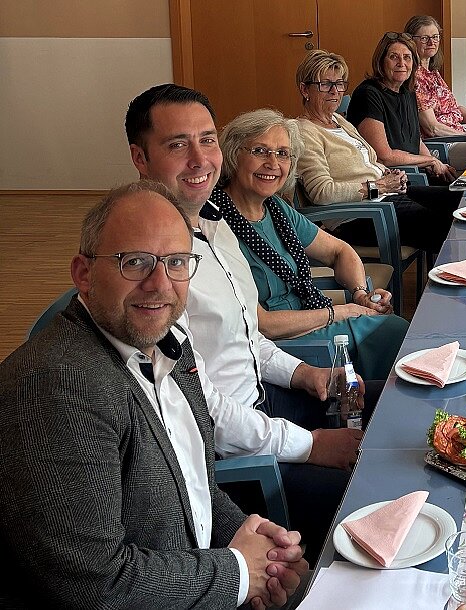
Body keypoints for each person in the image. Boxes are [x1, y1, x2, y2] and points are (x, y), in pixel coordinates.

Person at [0, 181, 307, 608]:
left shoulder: (167, 341)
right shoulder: (59, 386)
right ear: (83, 274)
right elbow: (93, 583)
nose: (160, 284)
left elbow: (190, 485)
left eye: (177, 262)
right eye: (136, 262)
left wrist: (256, 549)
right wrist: (238, 574)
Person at [126, 83, 364, 561]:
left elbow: (249, 337)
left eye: (207, 139)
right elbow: (200, 410)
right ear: (140, 158)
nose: (199, 159)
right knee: (374, 493)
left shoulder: (216, 226)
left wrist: (308, 374)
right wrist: (311, 444)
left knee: (389, 408)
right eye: (177, 145)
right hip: (236, 459)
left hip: (266, 403)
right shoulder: (155, 269)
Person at [217, 108, 409, 383]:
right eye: (260, 151)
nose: (273, 163)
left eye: (283, 153)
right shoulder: (218, 224)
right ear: (235, 155)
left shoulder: (276, 209)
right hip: (281, 348)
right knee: (394, 333)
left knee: (392, 332)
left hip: (311, 319)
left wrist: (359, 294)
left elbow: (339, 251)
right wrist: (340, 312)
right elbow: (264, 325)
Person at [294, 49, 460, 255]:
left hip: (383, 199)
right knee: (452, 225)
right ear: (304, 90)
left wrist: (387, 174)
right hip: (359, 217)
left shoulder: (339, 121)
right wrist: (377, 187)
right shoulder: (303, 131)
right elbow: (322, 192)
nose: (334, 91)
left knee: (462, 197)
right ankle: (462, 279)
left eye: (339, 84)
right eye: (325, 84)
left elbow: (367, 160)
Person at [347, 34, 458, 183]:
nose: (401, 63)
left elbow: (415, 140)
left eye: (407, 57)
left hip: (416, 172)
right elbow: (384, 156)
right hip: (394, 181)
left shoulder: (407, 91)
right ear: (381, 61)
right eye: (394, 57)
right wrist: (429, 161)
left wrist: (434, 164)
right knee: (457, 200)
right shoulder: (368, 94)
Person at [404, 15, 466, 140]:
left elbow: (454, 108)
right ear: (411, 41)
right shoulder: (416, 78)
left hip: (457, 136)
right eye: (424, 38)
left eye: (435, 37)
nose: (431, 42)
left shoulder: (432, 73)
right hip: (441, 144)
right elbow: (433, 128)